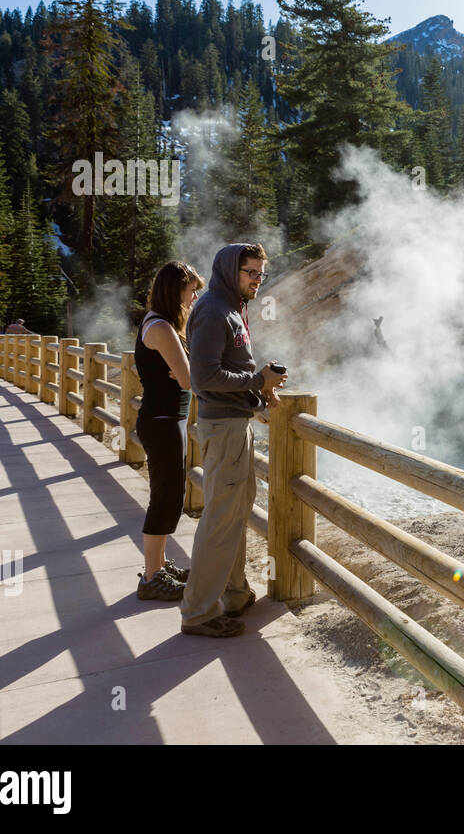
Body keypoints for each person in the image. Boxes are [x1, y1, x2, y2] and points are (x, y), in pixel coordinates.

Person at [180, 243, 285, 637]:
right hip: (223, 429)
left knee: (235, 513)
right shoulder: (212, 311)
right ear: (230, 271)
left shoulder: (231, 308)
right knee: (220, 520)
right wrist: (259, 381)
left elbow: (229, 371)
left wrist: (259, 393)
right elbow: (204, 378)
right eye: (251, 273)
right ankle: (198, 613)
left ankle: (234, 593)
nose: (258, 280)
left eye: (262, 274)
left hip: (233, 426)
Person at [134, 261, 206, 601]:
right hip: (162, 422)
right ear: (174, 290)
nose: (193, 298)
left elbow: (181, 373)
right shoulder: (161, 327)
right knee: (166, 497)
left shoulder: (160, 323)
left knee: (169, 495)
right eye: (191, 291)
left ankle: (158, 565)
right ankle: (150, 576)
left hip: (165, 420)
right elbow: (188, 377)